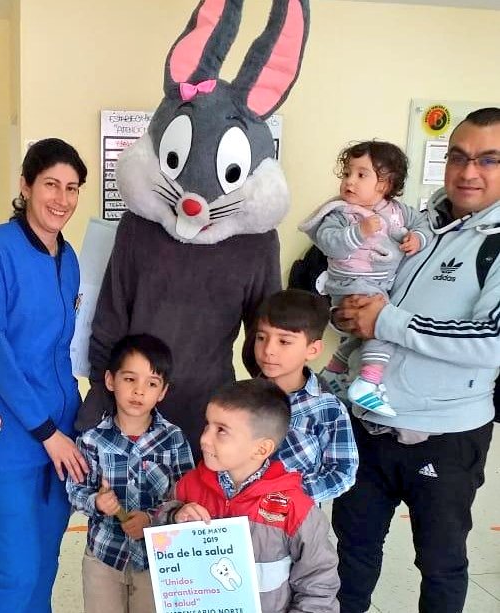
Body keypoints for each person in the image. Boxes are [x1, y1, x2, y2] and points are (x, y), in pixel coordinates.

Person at [331, 107, 500, 613]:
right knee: (351, 555)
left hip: (445, 436)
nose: (468, 172)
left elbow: (492, 339)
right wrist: (347, 315)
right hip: (368, 424)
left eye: (489, 160)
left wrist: (385, 321)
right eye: (458, 157)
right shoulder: (415, 223)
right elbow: (371, 289)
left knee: (441, 564)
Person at [0, 138, 90, 613]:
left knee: (45, 564)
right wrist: (45, 431)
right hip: (11, 434)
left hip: (63, 434)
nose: (62, 199)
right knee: (16, 570)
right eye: (51, 184)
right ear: (25, 185)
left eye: (72, 188)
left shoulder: (69, 259)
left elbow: (62, 349)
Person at [158, 379, 339, 613]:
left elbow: (318, 588)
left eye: (221, 430)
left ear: (261, 449)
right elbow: (159, 528)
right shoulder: (188, 486)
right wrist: (174, 516)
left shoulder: (296, 509)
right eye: (207, 425)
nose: (204, 438)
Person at [299, 141, 432, 416]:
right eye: (347, 173)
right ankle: (368, 383)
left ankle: (334, 371)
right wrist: (358, 231)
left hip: (378, 283)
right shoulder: (341, 212)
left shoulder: (398, 211)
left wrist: (417, 238)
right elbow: (328, 243)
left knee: (361, 333)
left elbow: (423, 224)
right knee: (382, 325)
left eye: (361, 175)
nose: (350, 181)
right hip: (351, 283)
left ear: (385, 184)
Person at [67, 334, 195, 613]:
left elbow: (187, 496)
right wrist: (97, 502)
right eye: (129, 379)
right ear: (110, 380)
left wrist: (151, 518)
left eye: (152, 383)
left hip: (158, 560)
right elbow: (75, 491)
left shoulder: (173, 439)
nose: (139, 391)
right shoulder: (91, 440)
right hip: (104, 558)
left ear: (163, 392)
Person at [254, 289, 358, 503]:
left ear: (313, 350)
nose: (268, 350)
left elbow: (343, 473)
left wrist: (287, 497)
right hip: (240, 515)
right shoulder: (243, 399)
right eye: (261, 337)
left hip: (295, 516)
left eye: (284, 341)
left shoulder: (327, 408)